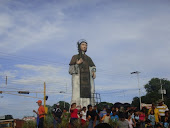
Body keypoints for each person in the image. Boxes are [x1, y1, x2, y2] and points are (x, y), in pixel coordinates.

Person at [69, 39, 96, 107]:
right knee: (77, 95)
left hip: (87, 81)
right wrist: (77, 64)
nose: (85, 46)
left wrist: (93, 71)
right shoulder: (75, 57)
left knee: (88, 98)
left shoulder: (88, 58)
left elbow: (93, 67)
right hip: (78, 80)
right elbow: (71, 70)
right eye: (83, 44)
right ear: (79, 46)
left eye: (86, 45)